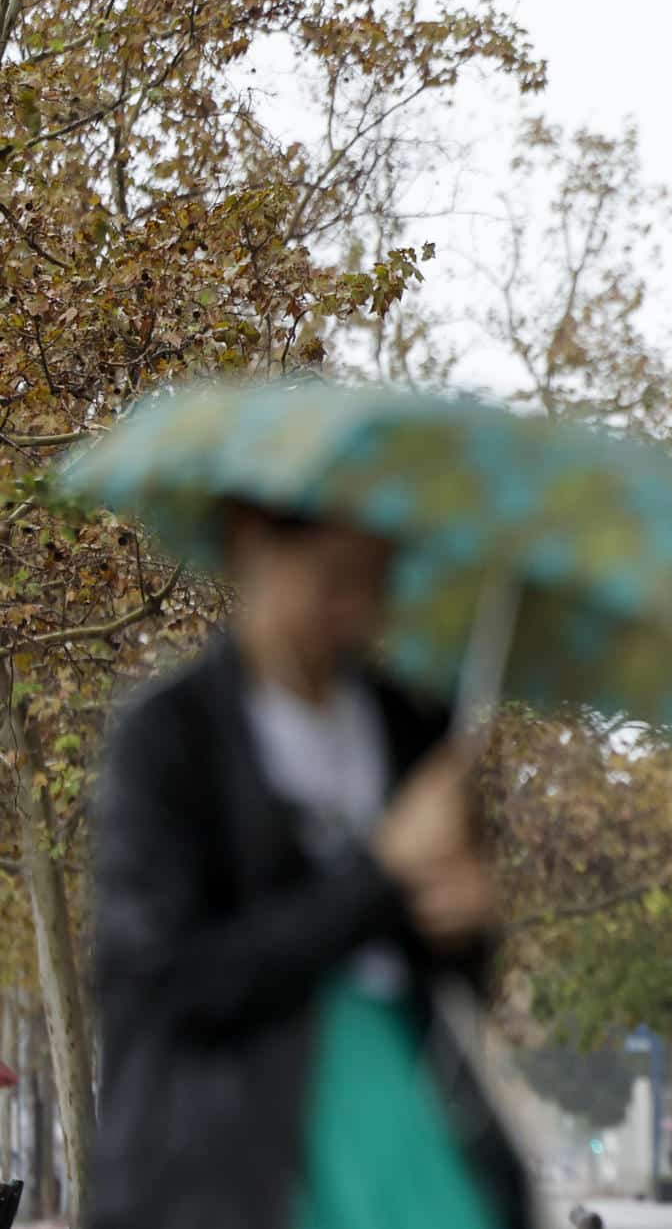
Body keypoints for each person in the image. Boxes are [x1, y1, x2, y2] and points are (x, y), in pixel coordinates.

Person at [89, 504, 531, 1229]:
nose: (355, 608)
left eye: (376, 581)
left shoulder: (409, 725)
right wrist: (381, 869)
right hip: (228, 1137)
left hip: (402, 1108)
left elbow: (456, 974)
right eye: (333, 579)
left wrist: (469, 922)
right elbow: (170, 980)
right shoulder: (171, 738)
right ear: (252, 547)